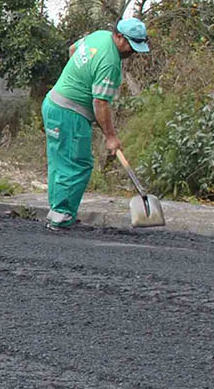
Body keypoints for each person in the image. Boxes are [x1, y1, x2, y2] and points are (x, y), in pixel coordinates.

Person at [42, 16, 150, 231]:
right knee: (77, 164)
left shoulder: (98, 36)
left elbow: (73, 50)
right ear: (119, 36)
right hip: (70, 113)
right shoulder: (110, 62)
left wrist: (77, 78)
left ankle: (57, 212)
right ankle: (61, 217)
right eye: (131, 45)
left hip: (54, 103)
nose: (133, 51)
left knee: (60, 162)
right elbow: (100, 102)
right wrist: (111, 136)